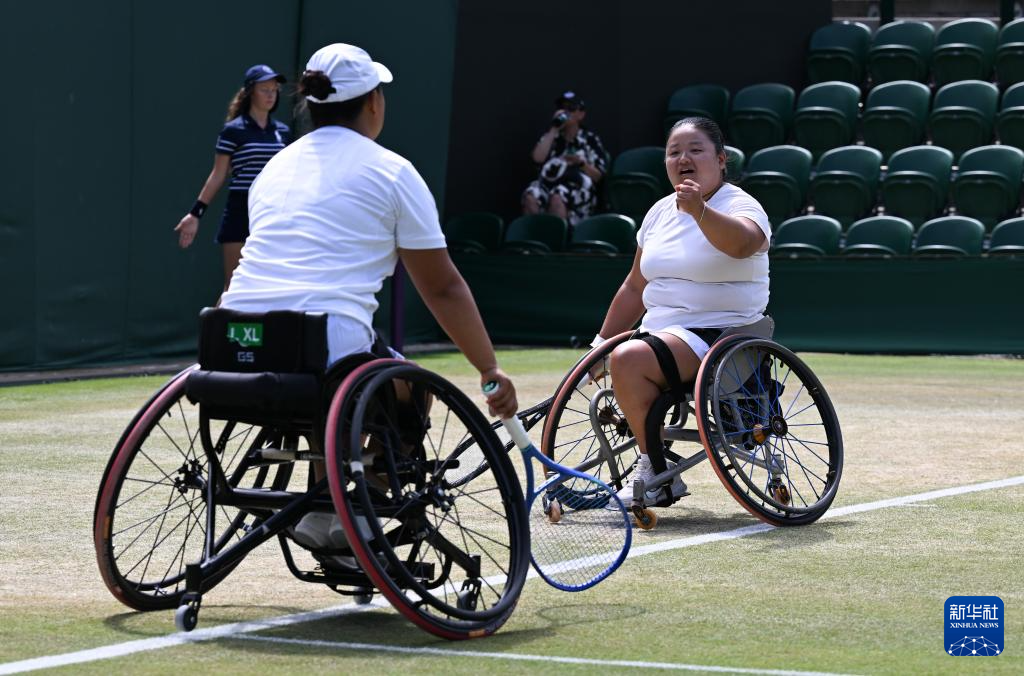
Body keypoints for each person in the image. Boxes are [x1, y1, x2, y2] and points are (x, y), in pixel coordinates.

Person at [219, 43, 518, 545]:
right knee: (406, 384)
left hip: (231, 341)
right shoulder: (392, 171)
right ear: (374, 103)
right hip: (322, 348)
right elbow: (442, 287)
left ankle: (326, 506)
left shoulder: (273, 169)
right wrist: (489, 369)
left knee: (334, 370)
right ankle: (358, 506)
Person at [590, 116, 772, 507]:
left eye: (695, 150)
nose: (683, 158)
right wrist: (600, 343)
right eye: (674, 152)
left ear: (720, 159)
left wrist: (699, 211)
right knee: (620, 353)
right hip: (659, 335)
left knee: (628, 358)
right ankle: (657, 462)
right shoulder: (658, 212)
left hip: (723, 334)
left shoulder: (741, 204)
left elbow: (744, 244)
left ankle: (654, 471)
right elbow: (635, 286)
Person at [175, 64, 291, 291]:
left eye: (274, 90)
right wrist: (195, 214)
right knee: (234, 287)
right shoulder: (233, 131)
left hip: (272, 212)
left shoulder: (283, 132)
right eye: (264, 89)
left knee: (270, 286)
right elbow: (218, 175)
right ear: (250, 92)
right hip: (239, 211)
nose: (270, 95)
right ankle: (219, 318)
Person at [522, 90, 607, 225]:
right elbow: (537, 159)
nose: (565, 112)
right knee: (531, 195)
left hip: (578, 189)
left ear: (581, 114)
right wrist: (554, 129)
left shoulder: (590, 139)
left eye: (571, 108)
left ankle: (557, 237)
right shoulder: (552, 137)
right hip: (549, 184)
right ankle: (537, 235)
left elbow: (599, 176)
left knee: (558, 196)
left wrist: (581, 163)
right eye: (562, 108)